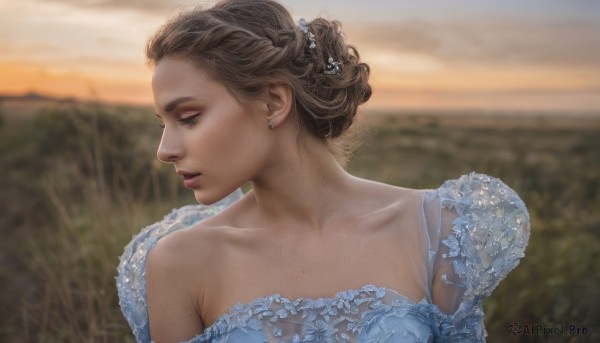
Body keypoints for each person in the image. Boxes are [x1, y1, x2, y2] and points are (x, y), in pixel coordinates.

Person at [116, 0, 530, 342]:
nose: (164, 150)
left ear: (274, 103)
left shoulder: (436, 230)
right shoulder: (179, 262)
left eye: (188, 117)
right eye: (162, 124)